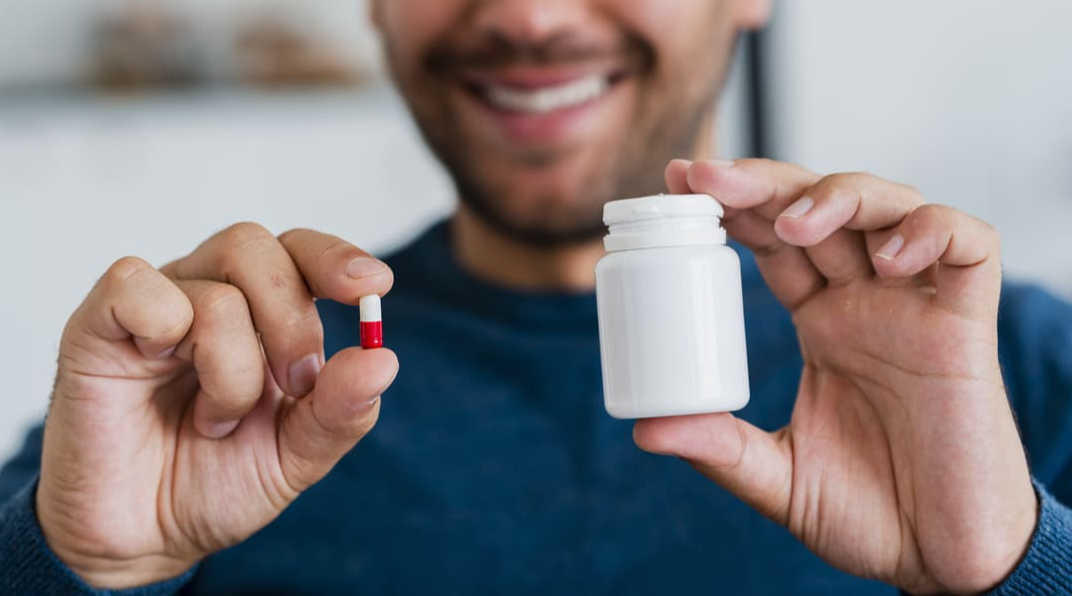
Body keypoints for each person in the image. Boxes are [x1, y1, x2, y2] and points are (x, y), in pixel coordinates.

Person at [2, 1, 1070, 594]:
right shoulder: (202, 400)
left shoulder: (996, 374)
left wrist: (1015, 575)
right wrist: (79, 575)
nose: (528, 14)